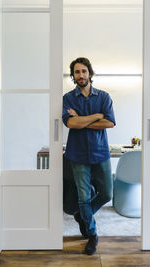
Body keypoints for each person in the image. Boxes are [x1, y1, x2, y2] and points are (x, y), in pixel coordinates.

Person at [62, 57, 116, 255]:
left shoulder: (103, 97)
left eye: (84, 71)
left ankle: (82, 216)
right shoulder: (67, 98)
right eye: (77, 72)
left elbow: (110, 123)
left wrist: (81, 119)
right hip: (77, 155)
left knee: (107, 193)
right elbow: (71, 124)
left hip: (101, 152)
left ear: (90, 73)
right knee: (84, 198)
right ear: (73, 76)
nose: (81, 75)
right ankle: (92, 235)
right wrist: (96, 116)